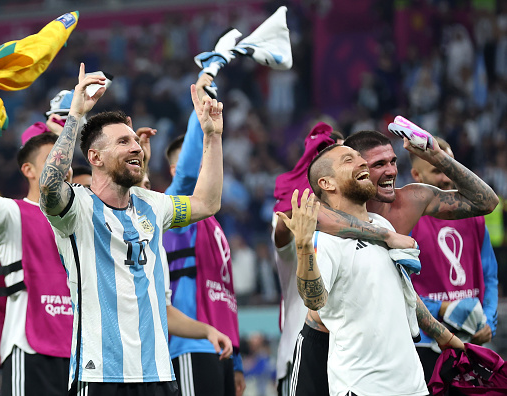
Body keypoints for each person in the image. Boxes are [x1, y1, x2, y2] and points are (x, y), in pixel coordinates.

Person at [39, 64, 231, 395]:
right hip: (99, 375)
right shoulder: (77, 208)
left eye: (135, 142)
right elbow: (49, 186)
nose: (136, 147)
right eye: (123, 141)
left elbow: (207, 203)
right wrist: (76, 116)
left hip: (157, 373)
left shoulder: (152, 205)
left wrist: (213, 136)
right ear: (95, 157)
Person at [278, 145, 461, 396]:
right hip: (363, 388)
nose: (362, 162)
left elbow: (403, 292)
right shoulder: (325, 241)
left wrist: (445, 337)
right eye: (348, 160)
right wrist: (303, 246)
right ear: (327, 183)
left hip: (413, 387)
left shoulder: (382, 225)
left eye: (360, 157)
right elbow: (314, 299)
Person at [0, 83, 73, 395]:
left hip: (79, 356)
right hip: (30, 352)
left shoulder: (80, 219)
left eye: (65, 158)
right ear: (28, 170)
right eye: (52, 158)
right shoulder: (12, 214)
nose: (61, 164)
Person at [163, 73, 245, 396]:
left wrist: (236, 360)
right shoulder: (175, 212)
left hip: (221, 348)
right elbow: (186, 174)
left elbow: (225, 293)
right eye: (199, 158)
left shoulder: (212, 223)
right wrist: (204, 119)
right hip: (189, 346)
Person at [409, 138, 498, 381]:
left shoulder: (476, 217)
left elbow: (489, 276)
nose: (447, 177)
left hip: (472, 340)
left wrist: (488, 321)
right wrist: (443, 309)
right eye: (437, 170)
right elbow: (399, 288)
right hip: (426, 344)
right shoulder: (407, 221)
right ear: (416, 174)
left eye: (450, 167)